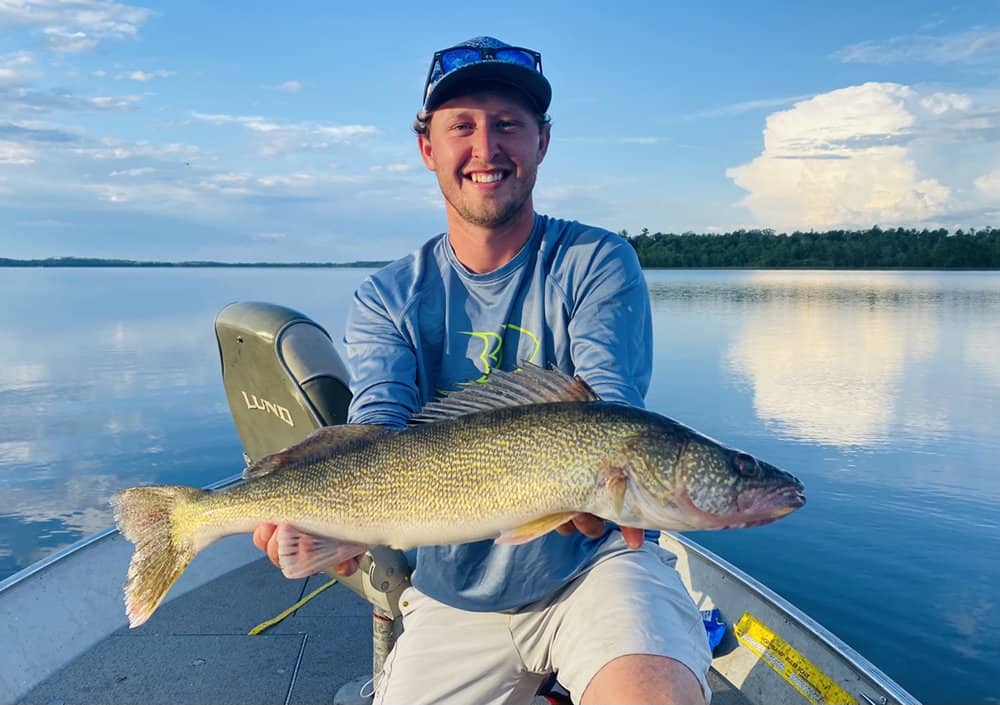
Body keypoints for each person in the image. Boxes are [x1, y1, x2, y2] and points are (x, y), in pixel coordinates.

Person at [253, 36, 712, 705]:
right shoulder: (387, 296)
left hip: (597, 567)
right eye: (462, 126)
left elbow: (611, 414)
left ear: (542, 142)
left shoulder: (597, 261)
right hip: (453, 593)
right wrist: (330, 526)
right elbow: (376, 426)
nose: (487, 149)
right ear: (427, 147)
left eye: (508, 125)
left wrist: (598, 496)